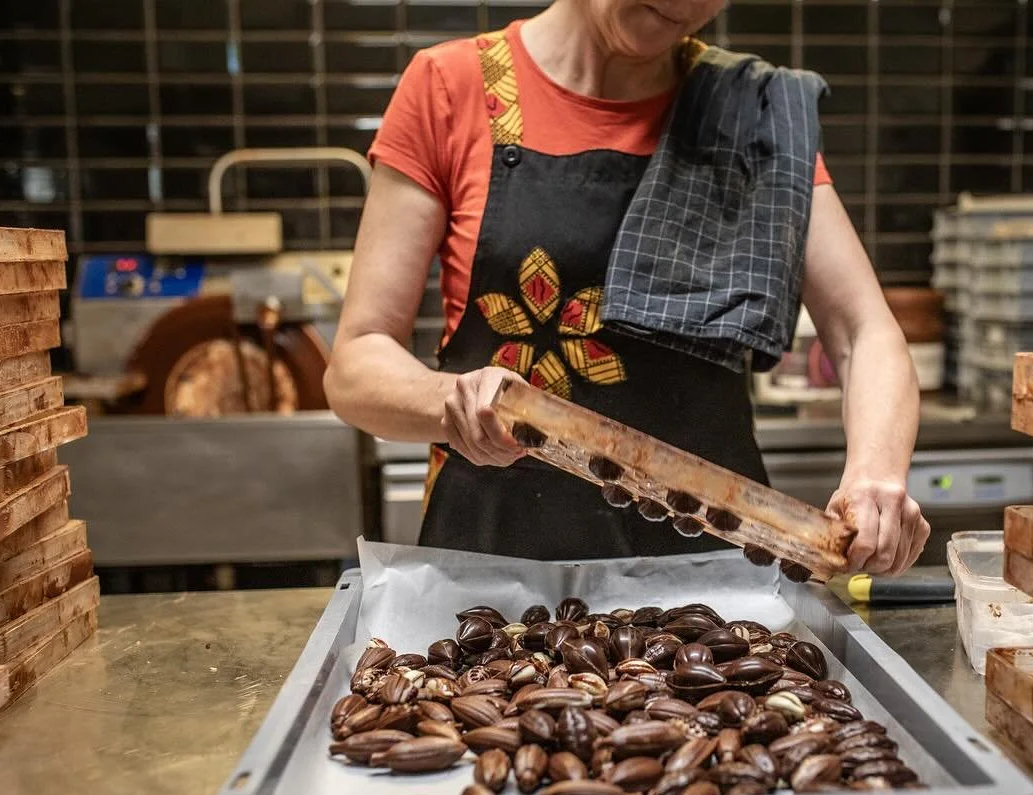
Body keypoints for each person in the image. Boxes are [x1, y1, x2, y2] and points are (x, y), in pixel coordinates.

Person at [325, 0, 930, 576]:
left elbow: (863, 331)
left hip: (708, 579)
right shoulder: (448, 87)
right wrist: (451, 400)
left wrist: (875, 473)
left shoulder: (754, 114)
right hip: (496, 562)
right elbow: (357, 360)